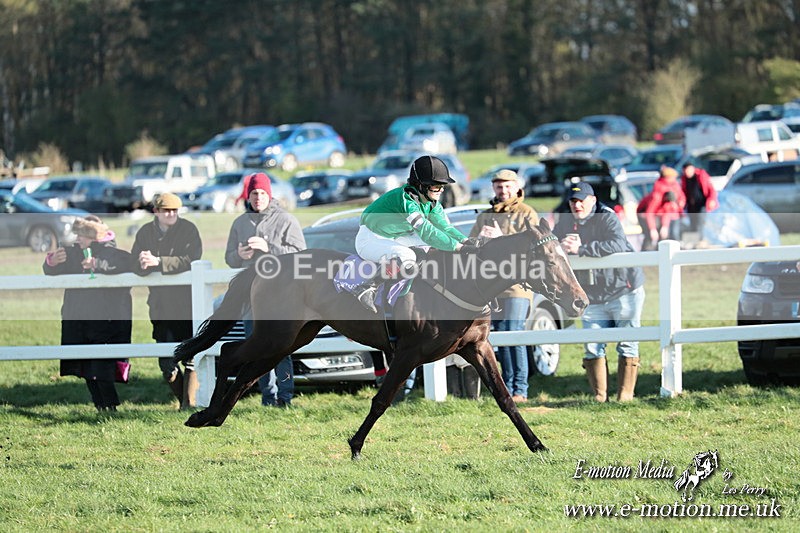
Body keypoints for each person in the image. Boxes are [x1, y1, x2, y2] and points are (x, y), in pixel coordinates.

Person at [553, 182, 645, 402]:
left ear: (592, 201)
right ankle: (599, 397)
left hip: (624, 288)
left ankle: (625, 396)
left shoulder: (607, 216)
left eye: (581, 201)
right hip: (591, 293)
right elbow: (551, 242)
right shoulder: (565, 220)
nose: (577, 205)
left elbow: (618, 245)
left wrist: (582, 248)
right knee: (592, 343)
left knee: (627, 341)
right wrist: (561, 245)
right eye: (573, 201)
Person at [352, 155, 473, 312]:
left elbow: (445, 228)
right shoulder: (406, 200)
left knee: (432, 246)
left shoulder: (431, 202)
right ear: (421, 185)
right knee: (408, 256)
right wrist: (458, 248)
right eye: (437, 186)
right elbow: (427, 232)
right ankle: (367, 287)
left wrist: (466, 241)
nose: (441, 190)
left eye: (442, 186)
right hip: (370, 239)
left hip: (394, 237)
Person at [225, 172, 305, 408]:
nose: (257, 198)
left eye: (262, 193)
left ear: (269, 195)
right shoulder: (239, 223)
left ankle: (285, 397)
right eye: (253, 193)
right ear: (247, 196)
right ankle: (267, 397)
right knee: (255, 347)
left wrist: (269, 247)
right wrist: (239, 255)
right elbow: (229, 258)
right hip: (251, 296)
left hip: (282, 294)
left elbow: (300, 253)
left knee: (281, 348)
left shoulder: (287, 220)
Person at [43, 216, 132, 412]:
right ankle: (100, 405)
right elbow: (50, 271)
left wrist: (98, 264)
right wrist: (51, 263)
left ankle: (110, 405)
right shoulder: (73, 253)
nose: (77, 239)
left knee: (101, 366)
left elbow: (127, 263)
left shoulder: (113, 253)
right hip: (78, 317)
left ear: (94, 237)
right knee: (85, 366)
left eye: (82, 235)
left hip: (106, 319)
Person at [468, 169, 539, 402]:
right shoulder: (485, 216)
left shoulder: (527, 214)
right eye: (499, 186)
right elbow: (471, 248)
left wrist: (500, 237)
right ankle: (505, 387)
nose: (503, 190)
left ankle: (521, 389)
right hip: (491, 289)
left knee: (514, 333)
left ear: (517, 186)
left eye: (507, 186)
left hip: (518, 287)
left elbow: (534, 248)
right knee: (496, 338)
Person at [131, 192, 203, 409]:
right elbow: (135, 262)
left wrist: (159, 262)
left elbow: (192, 259)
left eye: (174, 210)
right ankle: (185, 401)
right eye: (166, 210)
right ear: (156, 211)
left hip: (187, 303)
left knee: (190, 357)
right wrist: (142, 264)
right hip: (160, 305)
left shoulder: (188, 229)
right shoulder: (145, 232)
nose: (171, 214)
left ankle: (188, 404)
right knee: (166, 361)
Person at [637, 166, 686, 251]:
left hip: (658, 214)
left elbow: (667, 212)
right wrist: (652, 229)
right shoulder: (657, 196)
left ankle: (659, 255)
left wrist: (665, 226)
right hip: (644, 213)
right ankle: (645, 257)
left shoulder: (672, 190)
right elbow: (649, 213)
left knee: (662, 234)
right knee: (650, 236)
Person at [680, 162, 718, 234]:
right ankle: (694, 241)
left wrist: (712, 200)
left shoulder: (701, 175)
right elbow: (683, 192)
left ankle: (699, 241)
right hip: (691, 205)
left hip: (701, 204)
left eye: (688, 170)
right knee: (693, 224)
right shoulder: (684, 179)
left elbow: (711, 189)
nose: (687, 173)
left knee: (699, 223)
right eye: (685, 171)